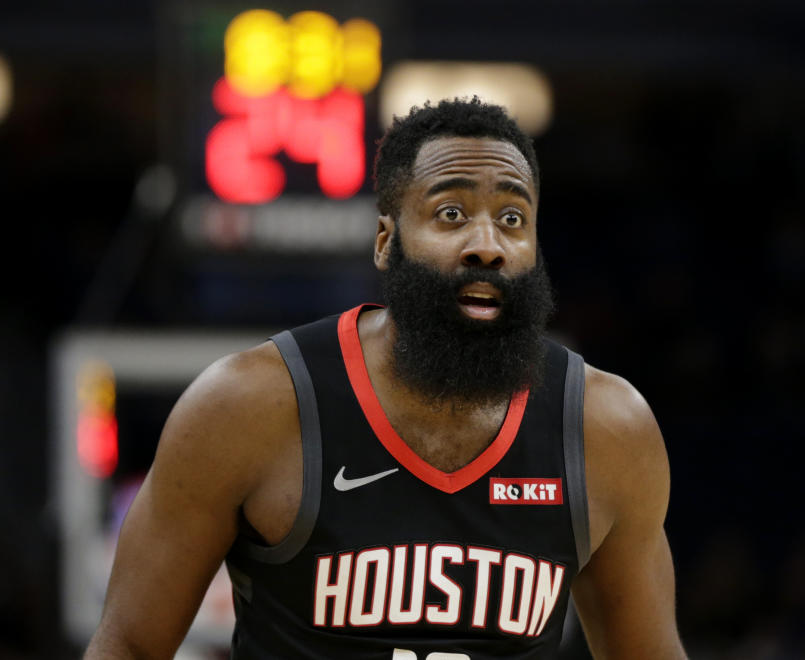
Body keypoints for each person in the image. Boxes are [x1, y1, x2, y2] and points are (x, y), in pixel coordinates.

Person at [84, 98, 687, 659]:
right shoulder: (250, 406)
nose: (487, 245)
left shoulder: (606, 429)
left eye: (512, 217)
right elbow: (128, 646)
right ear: (386, 241)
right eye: (451, 213)